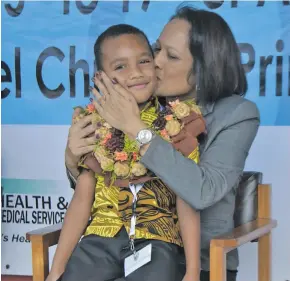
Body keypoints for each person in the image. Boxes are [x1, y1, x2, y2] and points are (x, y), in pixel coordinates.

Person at [65, 6, 260, 281]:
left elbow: (203, 191)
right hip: (122, 249)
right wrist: (73, 160)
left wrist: (136, 128)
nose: (154, 63)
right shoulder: (142, 101)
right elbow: (101, 182)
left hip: (199, 262)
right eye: (156, 50)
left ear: (204, 66)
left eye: (171, 56)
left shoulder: (237, 114)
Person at [48, 24, 202, 281]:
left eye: (144, 61)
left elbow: (188, 198)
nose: (136, 73)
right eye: (121, 66)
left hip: (157, 240)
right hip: (100, 240)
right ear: (101, 77)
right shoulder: (91, 123)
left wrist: (193, 271)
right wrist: (56, 270)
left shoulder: (178, 120)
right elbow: (82, 199)